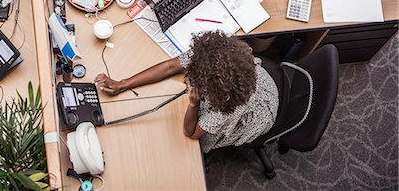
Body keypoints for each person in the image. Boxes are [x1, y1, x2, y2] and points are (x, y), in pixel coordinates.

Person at [94, 31, 279, 153]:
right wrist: (122, 84)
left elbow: (190, 132)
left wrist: (193, 103)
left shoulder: (226, 108)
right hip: (246, 84)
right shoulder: (212, 54)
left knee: (195, 145)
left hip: (256, 112)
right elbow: (169, 67)